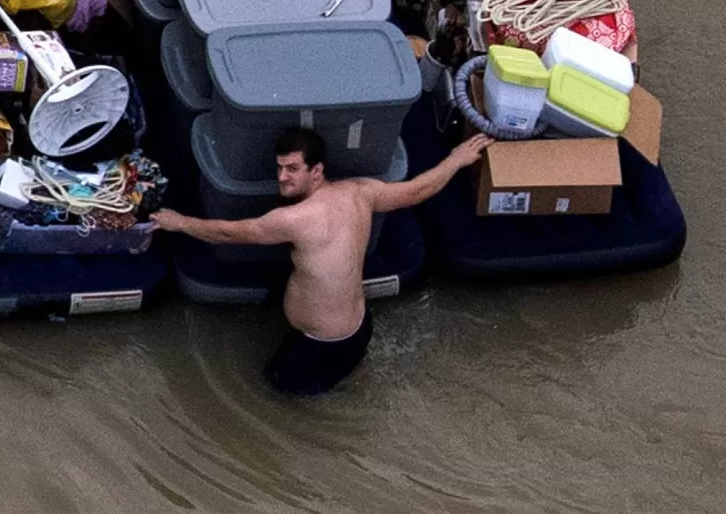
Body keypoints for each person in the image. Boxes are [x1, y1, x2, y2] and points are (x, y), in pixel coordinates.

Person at [152, 128, 494, 396]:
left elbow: (230, 234)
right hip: (358, 328)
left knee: (274, 397)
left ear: (316, 171)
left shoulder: (294, 219)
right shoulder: (360, 192)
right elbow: (416, 190)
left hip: (323, 345)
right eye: (280, 167)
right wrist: (455, 159)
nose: (282, 176)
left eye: (292, 169)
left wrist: (179, 223)